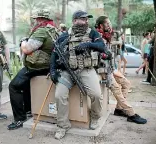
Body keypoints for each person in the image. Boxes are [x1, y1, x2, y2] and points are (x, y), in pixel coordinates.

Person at [50, 10, 112, 140]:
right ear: (74, 21)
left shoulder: (92, 33)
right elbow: (55, 53)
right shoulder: (64, 35)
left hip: (86, 70)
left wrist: (88, 44)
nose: (86, 21)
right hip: (68, 71)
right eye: (82, 19)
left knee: (95, 94)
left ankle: (95, 117)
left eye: (86, 19)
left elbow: (102, 46)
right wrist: (53, 70)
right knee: (59, 95)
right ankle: (62, 126)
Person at [7, 10, 58, 130]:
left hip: (37, 66)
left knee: (14, 86)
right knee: (25, 85)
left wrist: (23, 41)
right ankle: (29, 110)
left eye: (36, 19)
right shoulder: (54, 30)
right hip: (48, 66)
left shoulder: (41, 31)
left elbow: (27, 49)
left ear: (40, 19)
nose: (35, 21)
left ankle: (19, 118)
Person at [95, 15, 147, 125]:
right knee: (117, 90)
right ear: (101, 25)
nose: (110, 26)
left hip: (110, 68)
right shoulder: (97, 37)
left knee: (126, 84)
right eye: (107, 24)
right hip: (103, 70)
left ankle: (119, 110)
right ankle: (131, 114)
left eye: (110, 23)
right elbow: (100, 56)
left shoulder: (107, 36)